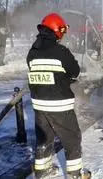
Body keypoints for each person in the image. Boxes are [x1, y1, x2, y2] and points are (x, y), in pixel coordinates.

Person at [26, 13, 91, 179]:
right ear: (56, 30)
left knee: (44, 138)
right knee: (72, 138)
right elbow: (74, 72)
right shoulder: (61, 52)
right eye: (62, 30)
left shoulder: (32, 52)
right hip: (59, 106)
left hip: (39, 106)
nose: (62, 34)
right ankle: (75, 174)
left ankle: (41, 171)